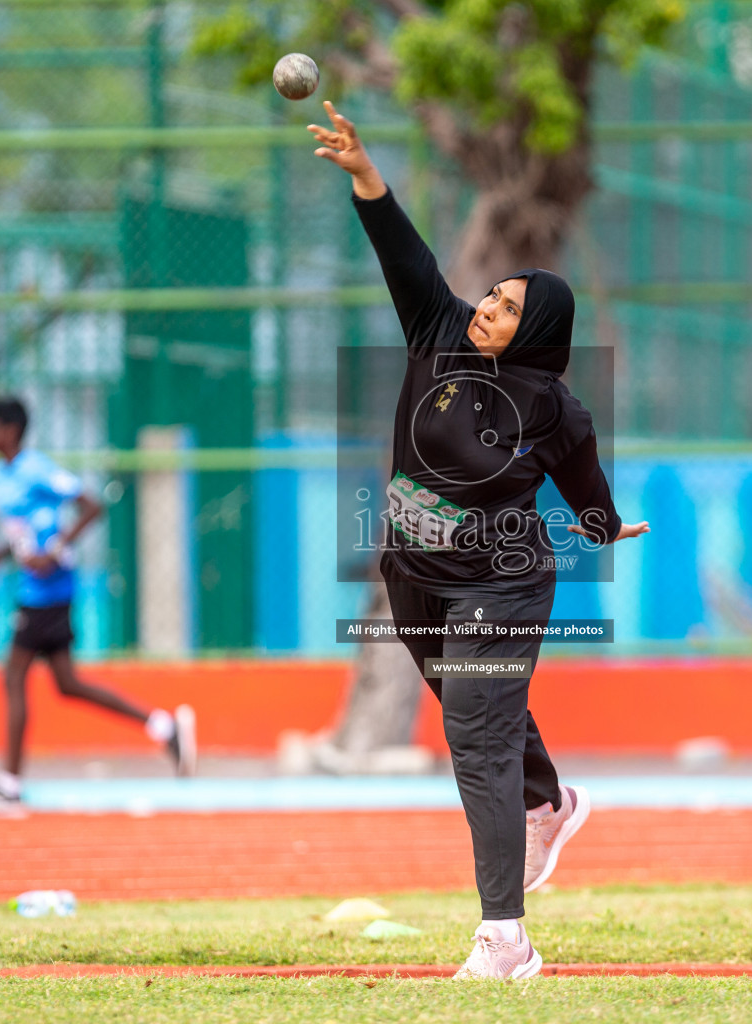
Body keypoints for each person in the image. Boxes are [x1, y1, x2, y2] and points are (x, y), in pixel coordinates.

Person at [309, 102, 651, 980]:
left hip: (500, 586)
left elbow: (585, 493)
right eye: (493, 295)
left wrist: (609, 527)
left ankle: (508, 940)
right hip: (413, 576)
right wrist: (365, 175)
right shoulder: (436, 330)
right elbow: (407, 255)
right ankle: (552, 800)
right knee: (477, 709)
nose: (488, 307)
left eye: (505, 307)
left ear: (536, 330)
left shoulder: (555, 407)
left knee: (474, 729)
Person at [0, 395, 196, 814]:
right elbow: (22, 531)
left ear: (11, 430)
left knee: (14, 676)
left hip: (49, 592)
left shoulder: (35, 468)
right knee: (67, 683)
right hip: (33, 590)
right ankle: (164, 728)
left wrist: (54, 550)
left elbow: (91, 505)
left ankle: (9, 783)